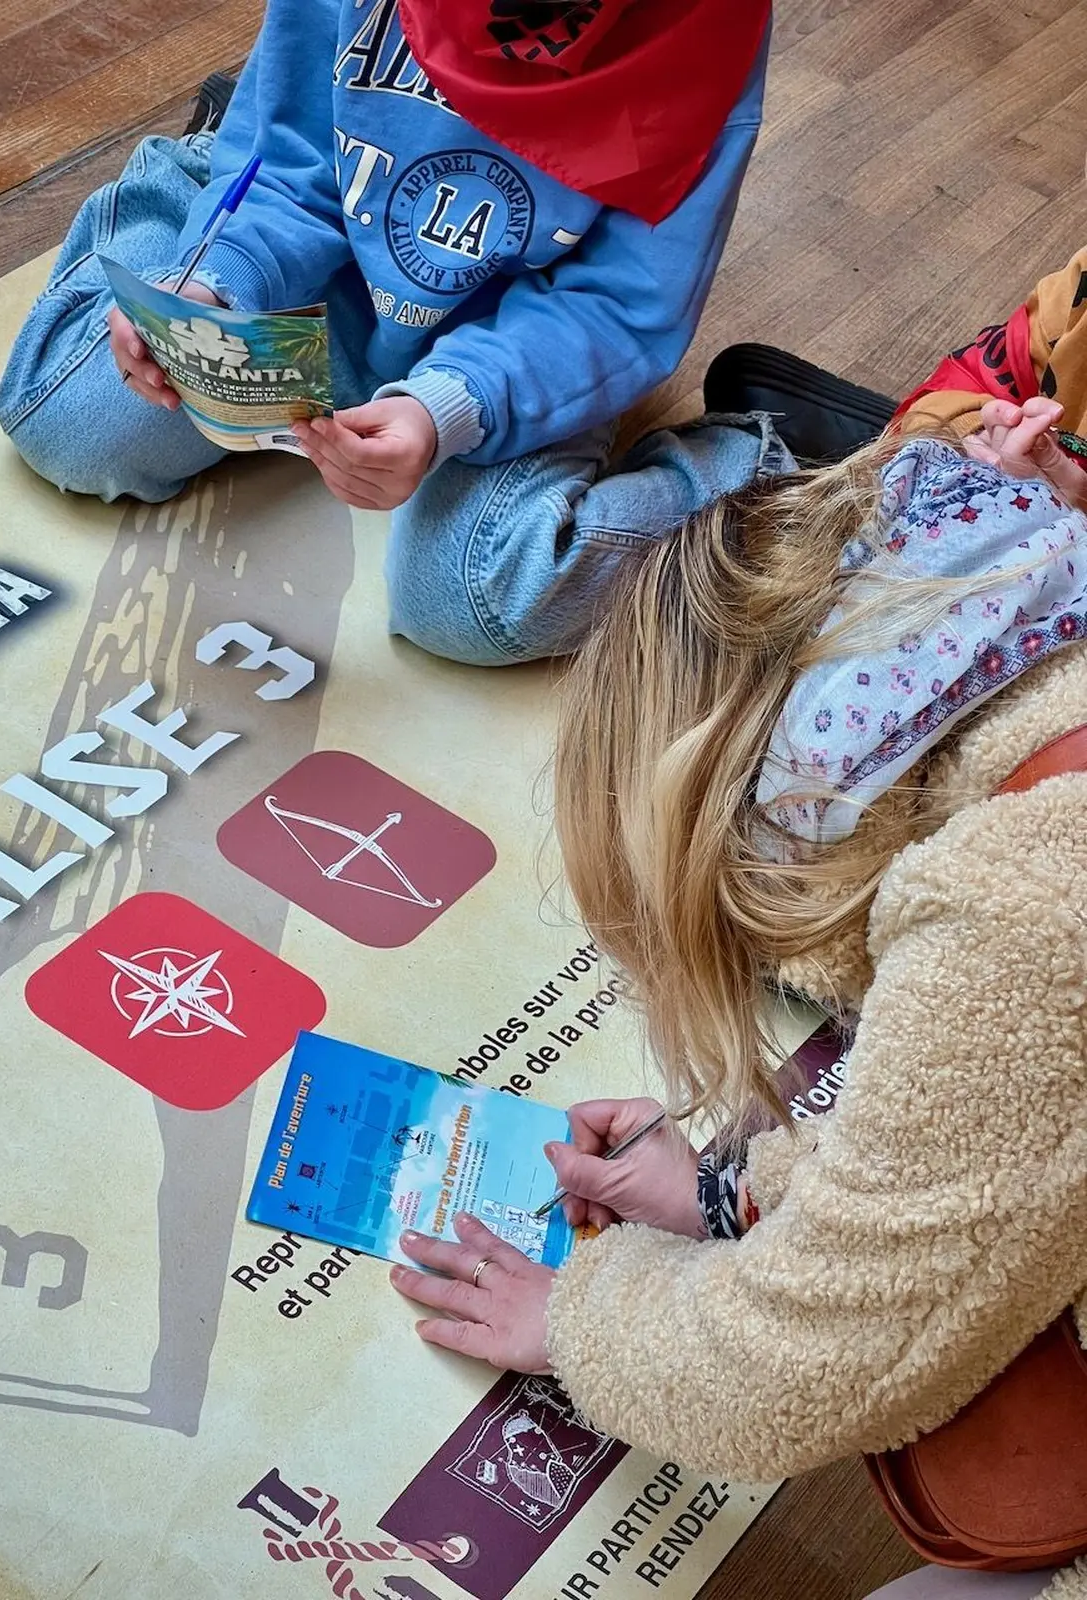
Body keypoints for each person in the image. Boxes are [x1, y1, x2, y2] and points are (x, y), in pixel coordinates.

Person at [389, 412, 1087, 1598]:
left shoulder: (1021, 899)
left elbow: (819, 1358)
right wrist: (727, 1190)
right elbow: (1022, 1135)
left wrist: (578, 1319)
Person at [0, 0, 777, 666]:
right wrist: (208, 280)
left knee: (473, 602)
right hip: (329, 277)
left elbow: (618, 305)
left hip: (518, 343)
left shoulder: (706, 31)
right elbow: (289, 158)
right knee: (64, 425)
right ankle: (192, 184)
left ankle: (764, 467)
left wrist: (447, 408)